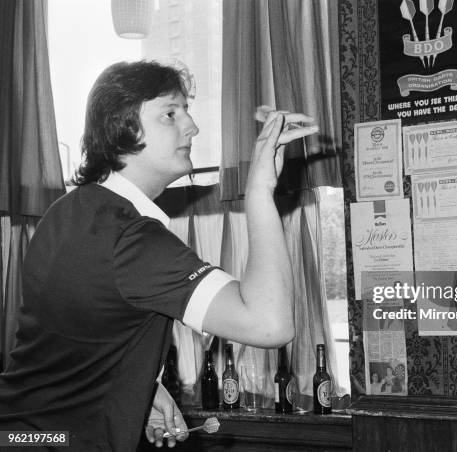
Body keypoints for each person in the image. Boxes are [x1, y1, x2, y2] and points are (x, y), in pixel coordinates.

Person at [0, 60, 318, 451]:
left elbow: (74, 337)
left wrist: (138, 385)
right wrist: (259, 190)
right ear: (124, 128)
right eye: (170, 113)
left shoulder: (66, 212)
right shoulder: (131, 237)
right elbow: (270, 324)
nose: (192, 126)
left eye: (186, 110)